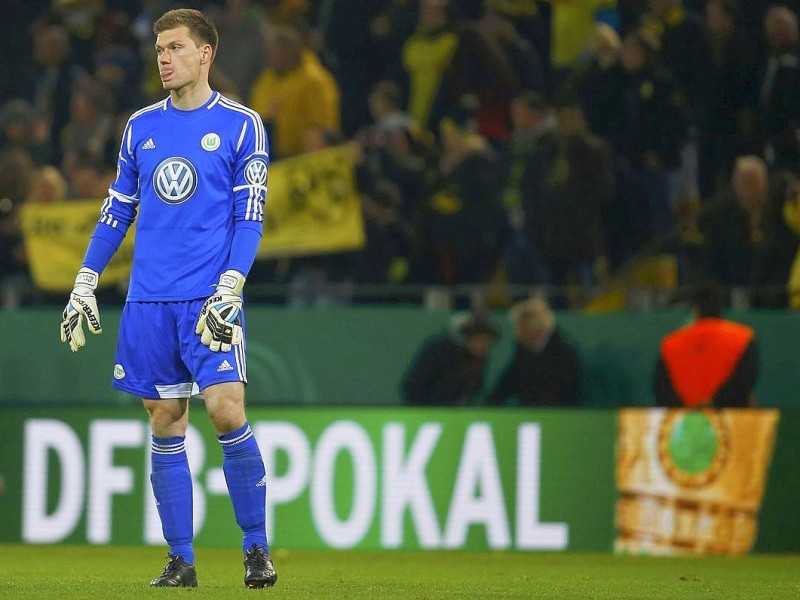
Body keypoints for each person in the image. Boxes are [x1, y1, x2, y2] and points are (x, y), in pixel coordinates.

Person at [58, 8, 276, 589]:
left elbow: (248, 217)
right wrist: (86, 278)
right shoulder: (139, 127)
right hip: (149, 301)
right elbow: (117, 211)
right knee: (165, 420)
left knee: (227, 410)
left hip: (209, 298)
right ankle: (181, 560)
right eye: (159, 48)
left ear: (205, 54)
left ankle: (256, 549)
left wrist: (231, 287)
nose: (163, 57)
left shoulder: (241, 124)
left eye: (175, 47)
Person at [653, 281, 759, 407]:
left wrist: (688, 410)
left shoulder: (671, 344)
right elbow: (745, 381)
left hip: (684, 423)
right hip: (730, 421)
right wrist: (716, 404)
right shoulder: (743, 338)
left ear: (696, 310)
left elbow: (661, 389)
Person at [487, 297, 581, 407]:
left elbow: (565, 391)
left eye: (520, 327)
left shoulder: (564, 353)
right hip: (531, 413)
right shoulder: (523, 351)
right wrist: (489, 405)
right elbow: (508, 382)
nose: (517, 333)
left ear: (535, 328)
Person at [401, 310, 500, 406]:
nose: (484, 345)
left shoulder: (478, 360)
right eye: (479, 338)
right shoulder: (440, 351)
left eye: (488, 340)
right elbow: (412, 387)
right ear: (467, 337)